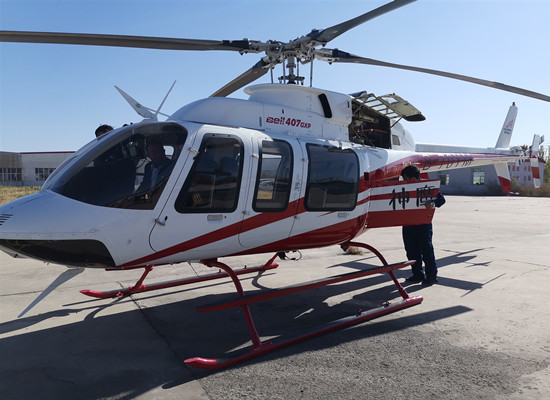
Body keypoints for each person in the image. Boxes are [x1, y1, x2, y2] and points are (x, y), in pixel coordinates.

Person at [401, 165, 445, 286]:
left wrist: (432, 203)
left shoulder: (427, 187)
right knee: (411, 251)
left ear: (413, 178)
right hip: (408, 224)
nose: (404, 181)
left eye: (405, 178)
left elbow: (441, 200)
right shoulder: (403, 187)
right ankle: (417, 274)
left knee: (427, 252)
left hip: (423, 225)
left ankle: (431, 276)